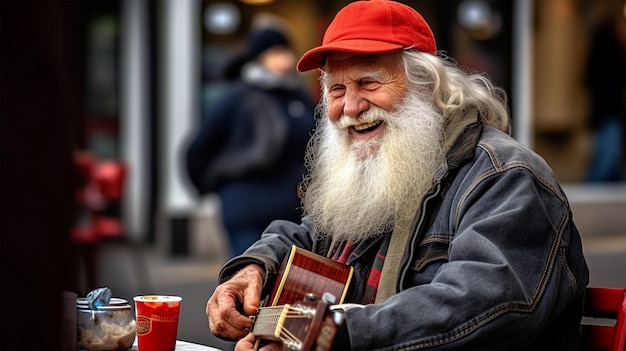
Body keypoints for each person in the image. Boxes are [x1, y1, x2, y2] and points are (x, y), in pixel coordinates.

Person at [205, 1, 589, 349]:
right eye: (336, 89)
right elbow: (309, 233)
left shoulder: (505, 176)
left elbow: (487, 300)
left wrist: (328, 334)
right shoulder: (384, 170)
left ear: (427, 84)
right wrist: (253, 267)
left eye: (368, 82)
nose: (351, 106)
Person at [186, 26, 316, 257]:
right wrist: (218, 188)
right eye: (275, 52)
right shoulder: (236, 98)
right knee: (249, 284)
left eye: (285, 50)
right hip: (248, 213)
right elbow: (200, 150)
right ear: (259, 57)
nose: (284, 58)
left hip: (292, 217)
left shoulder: (298, 95)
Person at [583, 14, 626, 182]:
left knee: (614, 163)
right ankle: (585, 195)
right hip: (609, 114)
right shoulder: (612, 56)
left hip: (607, 114)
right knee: (607, 160)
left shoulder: (600, 57)